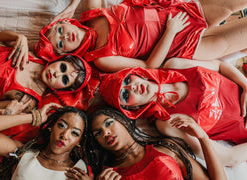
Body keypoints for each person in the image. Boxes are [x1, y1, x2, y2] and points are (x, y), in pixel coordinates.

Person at [98, 59, 247, 167]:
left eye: (128, 79)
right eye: (125, 95)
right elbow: (230, 158)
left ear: (137, 74)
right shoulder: (167, 121)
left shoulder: (175, 65)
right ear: (131, 109)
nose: (132, 87)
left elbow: (221, 65)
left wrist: (246, 86)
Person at [33, 0, 247, 72]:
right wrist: (171, 32)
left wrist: (72, 6)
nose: (65, 37)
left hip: (177, 12)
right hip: (181, 45)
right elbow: (149, 66)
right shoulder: (101, 59)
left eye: (60, 31)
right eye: (60, 44)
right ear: (65, 54)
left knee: (232, 3)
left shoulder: (91, 13)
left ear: (65, 22)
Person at [86, 107, 227, 180]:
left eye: (109, 123)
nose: (106, 133)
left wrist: (203, 137)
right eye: (98, 133)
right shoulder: (108, 175)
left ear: (124, 121)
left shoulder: (168, 149)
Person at [0, 104, 91, 180]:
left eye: (74, 133)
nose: (65, 135)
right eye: (61, 125)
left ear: (79, 141)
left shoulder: (79, 172)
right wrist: (34, 117)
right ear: (51, 127)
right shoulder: (24, 154)